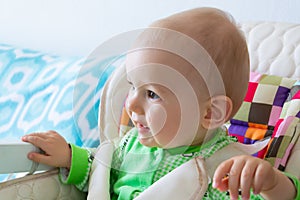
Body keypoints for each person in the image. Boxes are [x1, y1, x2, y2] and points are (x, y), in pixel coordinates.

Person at [22, 7, 299, 200]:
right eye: (133, 87)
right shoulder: (131, 145)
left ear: (210, 113)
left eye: (152, 94)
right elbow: (99, 171)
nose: (132, 105)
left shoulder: (225, 169)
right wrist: (70, 157)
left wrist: (273, 184)